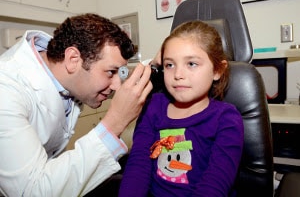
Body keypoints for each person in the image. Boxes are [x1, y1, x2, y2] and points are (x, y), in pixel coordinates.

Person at [0, 13, 153, 197]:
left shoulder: (62, 71)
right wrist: (115, 123)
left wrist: (160, 63)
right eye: (111, 72)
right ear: (73, 59)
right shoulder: (6, 91)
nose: (116, 86)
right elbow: (31, 191)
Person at [119, 21, 244, 197]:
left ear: (218, 70)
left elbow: (215, 185)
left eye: (191, 64)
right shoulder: (153, 107)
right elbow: (137, 168)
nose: (178, 75)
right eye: (170, 65)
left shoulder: (227, 119)